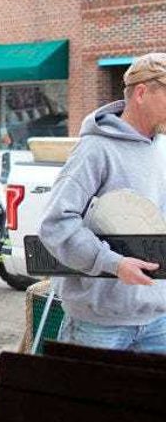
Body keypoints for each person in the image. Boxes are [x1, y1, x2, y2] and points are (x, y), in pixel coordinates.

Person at [39, 52, 166, 353]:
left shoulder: (162, 149)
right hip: (99, 322)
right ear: (141, 92)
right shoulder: (95, 150)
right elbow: (55, 224)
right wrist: (114, 264)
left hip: (158, 319)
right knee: (86, 401)